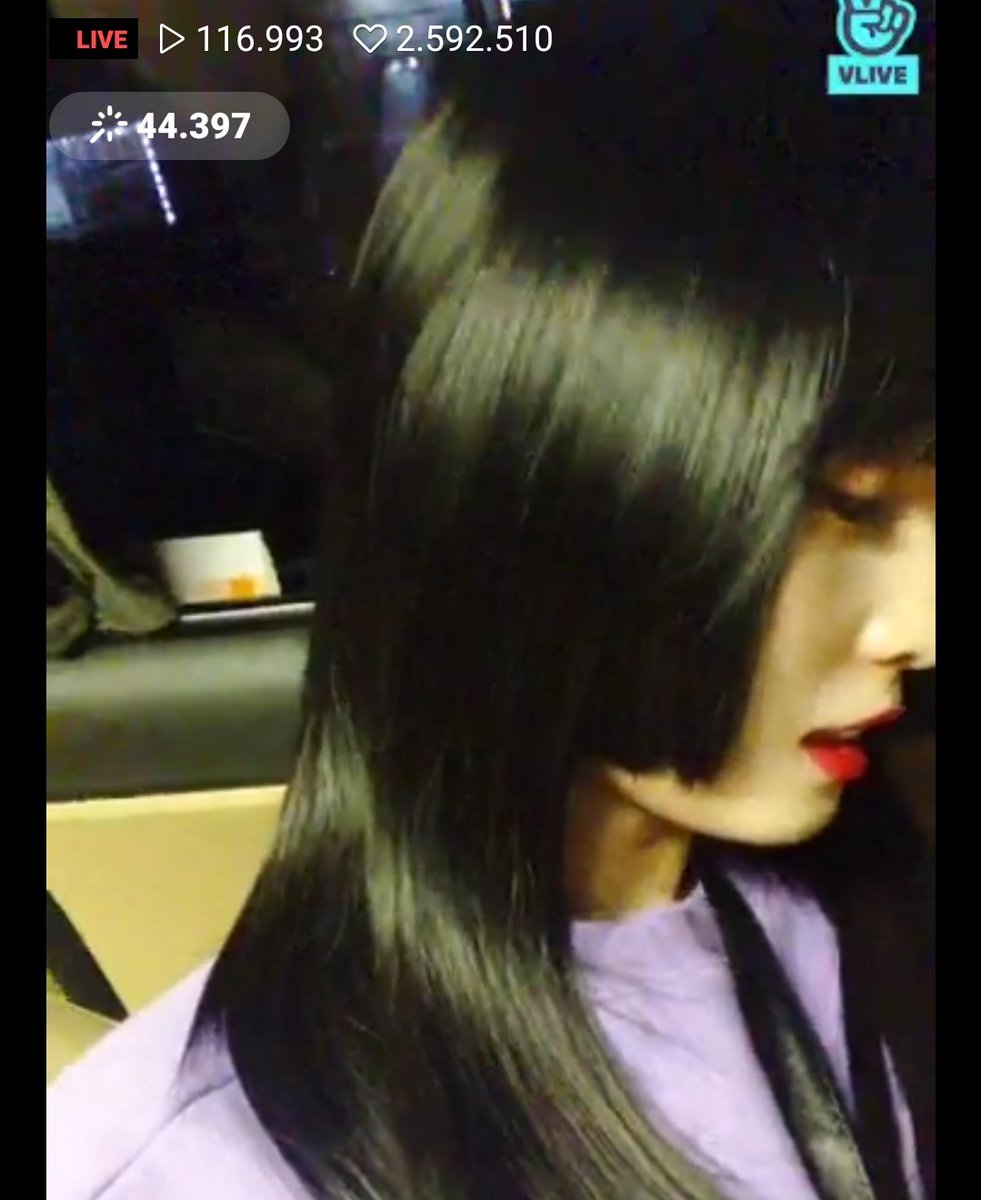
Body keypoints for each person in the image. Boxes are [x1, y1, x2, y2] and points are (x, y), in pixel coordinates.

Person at [47, 3, 935, 1198]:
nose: (921, 628)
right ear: (544, 480)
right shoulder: (209, 1162)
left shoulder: (852, 906)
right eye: (850, 508)